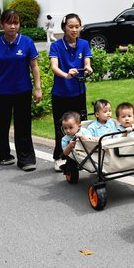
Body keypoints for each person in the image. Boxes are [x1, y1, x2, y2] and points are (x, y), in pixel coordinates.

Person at [0, 9, 42, 172]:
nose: (13, 26)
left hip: (22, 90)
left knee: (23, 125)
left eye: (16, 23)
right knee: (1, 125)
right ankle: (4, 155)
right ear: (2, 24)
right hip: (1, 90)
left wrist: (38, 88)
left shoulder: (27, 42)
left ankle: (26, 159)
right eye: (9, 23)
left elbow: (34, 66)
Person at [49, 13, 92, 170]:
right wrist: (66, 75)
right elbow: (54, 66)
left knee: (80, 126)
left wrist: (88, 68)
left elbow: (87, 62)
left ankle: (80, 157)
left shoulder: (84, 44)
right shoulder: (56, 46)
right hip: (60, 94)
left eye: (77, 26)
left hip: (79, 92)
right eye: (71, 26)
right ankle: (60, 157)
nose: (74, 30)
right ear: (64, 28)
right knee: (62, 128)